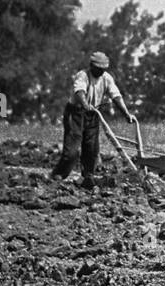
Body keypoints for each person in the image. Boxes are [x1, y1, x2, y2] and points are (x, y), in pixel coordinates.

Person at [52, 51, 136, 188]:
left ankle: (87, 178)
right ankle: (58, 176)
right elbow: (79, 91)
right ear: (92, 66)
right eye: (99, 69)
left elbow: (116, 96)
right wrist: (85, 104)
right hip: (76, 113)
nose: (101, 71)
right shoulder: (83, 75)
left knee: (92, 149)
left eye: (104, 69)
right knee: (72, 151)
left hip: (92, 114)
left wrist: (127, 114)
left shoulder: (106, 78)